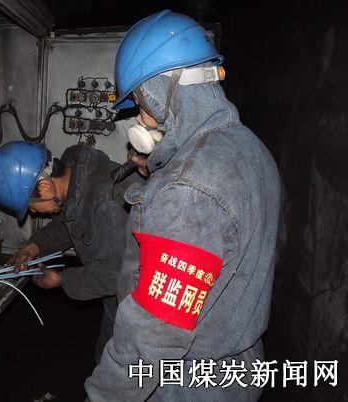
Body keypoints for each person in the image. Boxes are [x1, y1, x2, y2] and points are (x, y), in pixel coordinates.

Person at [85, 9, 281, 401]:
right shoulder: (252, 149)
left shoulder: (187, 190)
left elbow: (151, 336)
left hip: (187, 384)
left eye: (142, 102)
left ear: (163, 91)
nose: (143, 119)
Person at [0, 140, 139, 362]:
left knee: (121, 366)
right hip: (121, 297)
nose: (33, 213)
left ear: (45, 187)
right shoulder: (79, 181)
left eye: (30, 206)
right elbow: (72, 222)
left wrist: (62, 280)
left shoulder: (105, 204)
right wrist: (34, 246)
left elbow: (113, 274)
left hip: (140, 301)